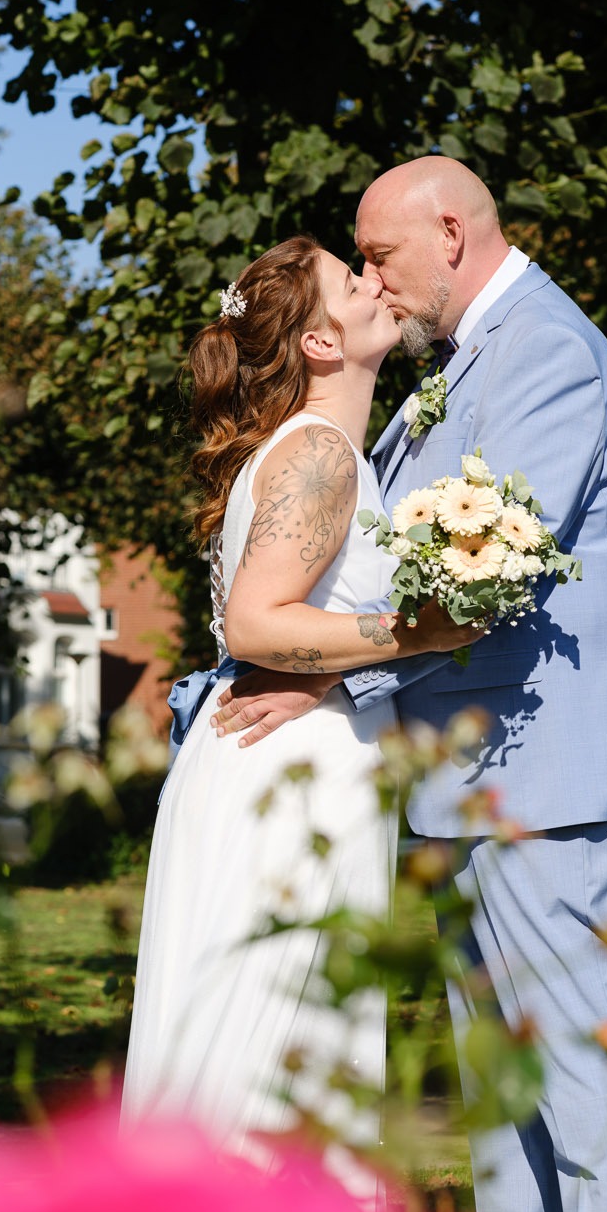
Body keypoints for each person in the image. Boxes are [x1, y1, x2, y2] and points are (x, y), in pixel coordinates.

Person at [212, 161, 607, 1212]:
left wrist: (314, 664)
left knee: (582, 1039)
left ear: (453, 232)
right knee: (495, 1053)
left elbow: (492, 570)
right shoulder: (459, 367)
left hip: (553, 761)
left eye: (382, 256)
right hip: (469, 763)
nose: (374, 282)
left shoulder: (546, 355)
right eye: (362, 264)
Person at [121, 235, 473, 1163]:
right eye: (353, 281)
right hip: (283, 770)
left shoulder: (322, 449)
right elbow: (254, 625)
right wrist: (420, 632)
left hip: (286, 751)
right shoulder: (319, 452)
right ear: (321, 343)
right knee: (271, 1039)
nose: (377, 283)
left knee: (285, 1036)